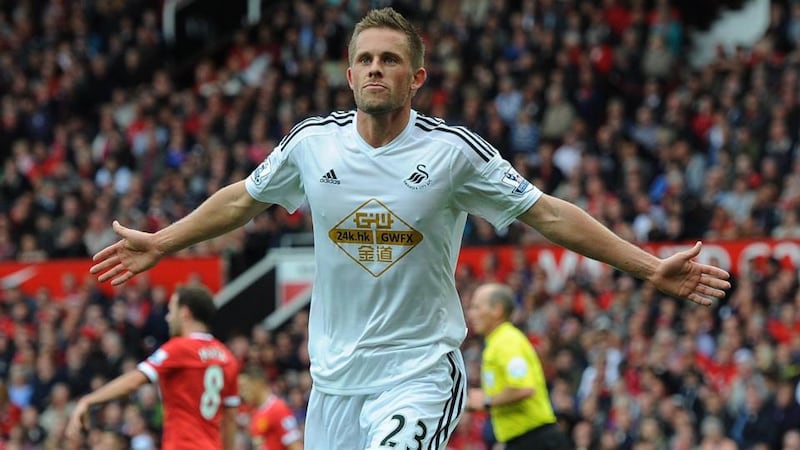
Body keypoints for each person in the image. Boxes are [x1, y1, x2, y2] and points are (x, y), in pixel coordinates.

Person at [88, 7, 731, 450]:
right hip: (333, 382)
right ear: (348, 73)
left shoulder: (454, 154)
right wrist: (164, 240)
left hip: (419, 371)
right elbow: (242, 200)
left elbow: (549, 213)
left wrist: (649, 266)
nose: (374, 69)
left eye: (389, 60)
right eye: (364, 59)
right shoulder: (313, 146)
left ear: (415, 77)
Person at [65, 285, 240, 450]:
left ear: (185, 313)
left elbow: (134, 381)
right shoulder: (227, 357)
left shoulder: (179, 348)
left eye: (172, 311)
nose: (168, 317)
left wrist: (89, 400)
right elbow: (230, 419)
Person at [466, 282, 570, 450]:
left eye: (476, 307)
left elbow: (523, 388)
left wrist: (486, 400)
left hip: (537, 440)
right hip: (522, 440)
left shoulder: (507, 341)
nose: (471, 314)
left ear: (497, 310)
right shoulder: (496, 342)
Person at [238, 364, 303, 450]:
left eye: (244, 387)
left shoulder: (278, 409)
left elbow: (296, 446)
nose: (242, 393)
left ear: (257, 384)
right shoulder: (255, 412)